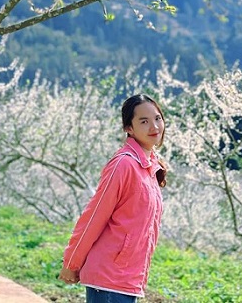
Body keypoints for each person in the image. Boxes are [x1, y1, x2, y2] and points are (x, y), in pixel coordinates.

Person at [58, 94, 167, 303]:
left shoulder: (150, 166)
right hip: (109, 279)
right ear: (129, 128)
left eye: (157, 118)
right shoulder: (124, 165)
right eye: (143, 121)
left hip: (128, 279)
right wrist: (72, 262)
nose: (154, 126)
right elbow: (94, 216)